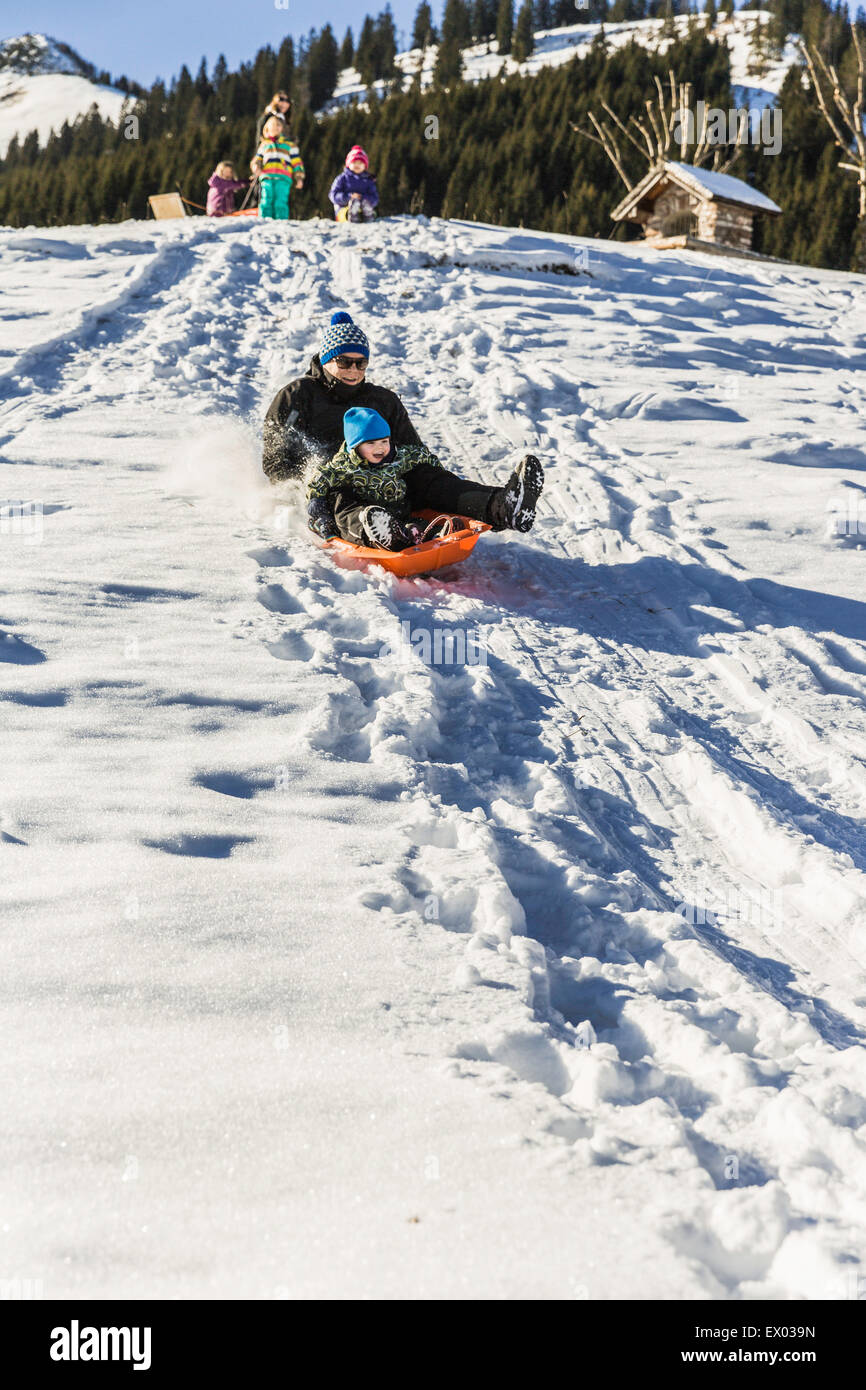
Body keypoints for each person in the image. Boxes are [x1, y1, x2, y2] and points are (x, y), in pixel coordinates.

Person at [305, 407, 544, 549]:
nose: (380, 448)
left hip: (402, 510)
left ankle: (505, 507)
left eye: (384, 442)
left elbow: (423, 457)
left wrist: (437, 475)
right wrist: (317, 511)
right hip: (367, 513)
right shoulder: (341, 466)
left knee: (427, 491)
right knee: (341, 500)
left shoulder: (399, 456)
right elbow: (318, 483)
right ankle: (378, 534)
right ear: (355, 447)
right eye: (371, 444)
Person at [251, 115, 304, 221]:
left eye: (278, 125)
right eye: (273, 125)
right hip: (267, 177)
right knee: (266, 200)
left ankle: (281, 221)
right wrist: (256, 167)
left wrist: (299, 177)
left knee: (280, 200)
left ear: (282, 128)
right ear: (267, 128)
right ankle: (264, 221)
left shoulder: (289, 145)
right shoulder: (264, 145)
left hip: (283, 178)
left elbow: (297, 163)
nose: (275, 127)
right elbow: (257, 159)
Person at [329, 146, 378, 223]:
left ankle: (368, 215)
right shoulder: (342, 178)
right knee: (345, 212)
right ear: (348, 164)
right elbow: (333, 195)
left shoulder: (368, 181)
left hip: (362, 207)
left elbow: (374, 198)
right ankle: (352, 214)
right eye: (354, 162)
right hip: (344, 208)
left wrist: (362, 198)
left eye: (360, 163)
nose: (357, 165)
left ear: (365, 166)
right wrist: (349, 197)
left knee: (369, 208)